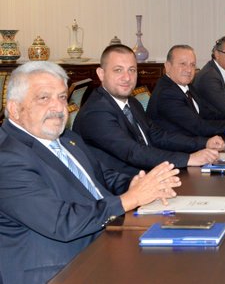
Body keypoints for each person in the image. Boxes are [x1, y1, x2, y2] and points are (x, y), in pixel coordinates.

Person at [0, 61, 181, 283]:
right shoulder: (7, 158)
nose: (57, 107)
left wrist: (137, 183)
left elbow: (103, 176)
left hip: (103, 241)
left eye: (62, 97)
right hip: (59, 268)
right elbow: (61, 222)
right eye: (44, 98)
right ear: (14, 109)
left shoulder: (66, 138)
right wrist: (130, 199)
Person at [74, 45, 222, 176]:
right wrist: (188, 159)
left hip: (148, 174)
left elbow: (157, 135)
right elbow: (133, 152)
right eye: (118, 70)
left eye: (132, 70)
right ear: (101, 74)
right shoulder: (96, 112)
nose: (127, 77)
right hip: (121, 186)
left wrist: (204, 143)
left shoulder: (131, 102)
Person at [147, 45, 225, 137]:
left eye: (192, 65)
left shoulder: (186, 87)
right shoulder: (167, 93)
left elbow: (208, 114)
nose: (189, 70)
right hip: (176, 153)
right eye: (183, 64)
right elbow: (198, 126)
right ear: (167, 66)